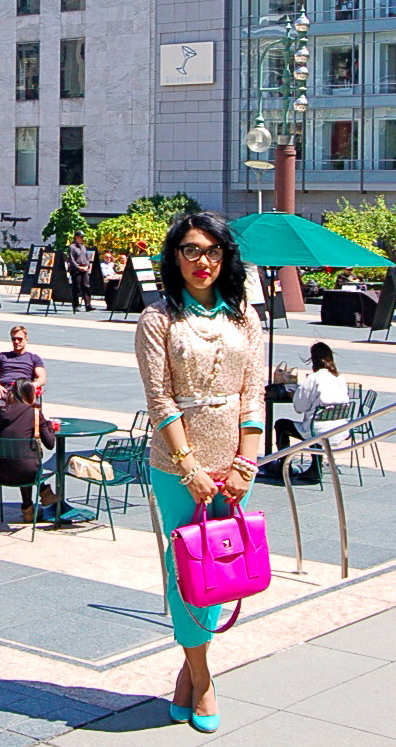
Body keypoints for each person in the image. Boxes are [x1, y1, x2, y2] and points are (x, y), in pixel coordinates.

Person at [135, 212, 264, 734]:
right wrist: (189, 468)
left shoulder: (244, 316)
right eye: (190, 250)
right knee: (185, 566)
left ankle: (188, 672)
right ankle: (204, 678)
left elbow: (253, 394)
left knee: (220, 563)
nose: (202, 261)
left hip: (233, 464)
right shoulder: (158, 319)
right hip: (177, 464)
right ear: (175, 257)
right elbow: (159, 398)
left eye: (212, 251)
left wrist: (245, 463)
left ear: (226, 257)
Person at [0, 378, 56, 524]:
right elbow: (50, 444)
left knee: (18, 457)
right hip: (27, 473)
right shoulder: (34, 413)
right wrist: (48, 424)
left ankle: (28, 509)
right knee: (25, 461)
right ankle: (45, 493)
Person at [274, 342, 350, 482]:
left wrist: (294, 395)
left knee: (281, 425)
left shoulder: (314, 378)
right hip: (340, 429)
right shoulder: (339, 377)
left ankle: (284, 466)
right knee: (318, 424)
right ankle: (316, 467)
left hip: (318, 430)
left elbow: (300, 407)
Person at [0, 326, 46, 437]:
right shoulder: (1, 357)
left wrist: (32, 385)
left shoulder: (34, 358)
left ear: (26, 339)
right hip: (4, 389)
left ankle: (32, 437)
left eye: (20, 339)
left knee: (34, 410)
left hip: (23, 389)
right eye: (14, 339)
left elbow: (42, 378)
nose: (16, 342)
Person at [67, 230, 93, 312]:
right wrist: (79, 267)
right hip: (76, 270)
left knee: (86, 287)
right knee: (76, 287)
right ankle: (76, 305)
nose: (82, 239)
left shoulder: (83, 246)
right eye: (80, 237)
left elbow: (87, 258)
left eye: (82, 237)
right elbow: (72, 260)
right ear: (76, 237)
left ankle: (88, 305)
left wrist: (87, 266)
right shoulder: (72, 247)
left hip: (85, 269)